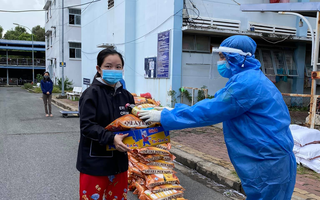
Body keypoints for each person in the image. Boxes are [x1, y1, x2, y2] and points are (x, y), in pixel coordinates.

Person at [139, 35, 297, 200]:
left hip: (268, 162)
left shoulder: (246, 84)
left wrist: (165, 116)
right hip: (272, 158)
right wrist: (171, 111)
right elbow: (215, 105)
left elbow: (211, 110)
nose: (219, 62)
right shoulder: (250, 78)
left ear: (236, 58)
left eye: (223, 57)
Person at [76, 48, 134, 200]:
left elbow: (131, 123)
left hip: (119, 163)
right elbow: (87, 126)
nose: (113, 70)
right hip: (94, 162)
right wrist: (111, 138)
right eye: (108, 66)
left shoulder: (127, 96)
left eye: (118, 67)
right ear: (99, 69)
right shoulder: (91, 94)